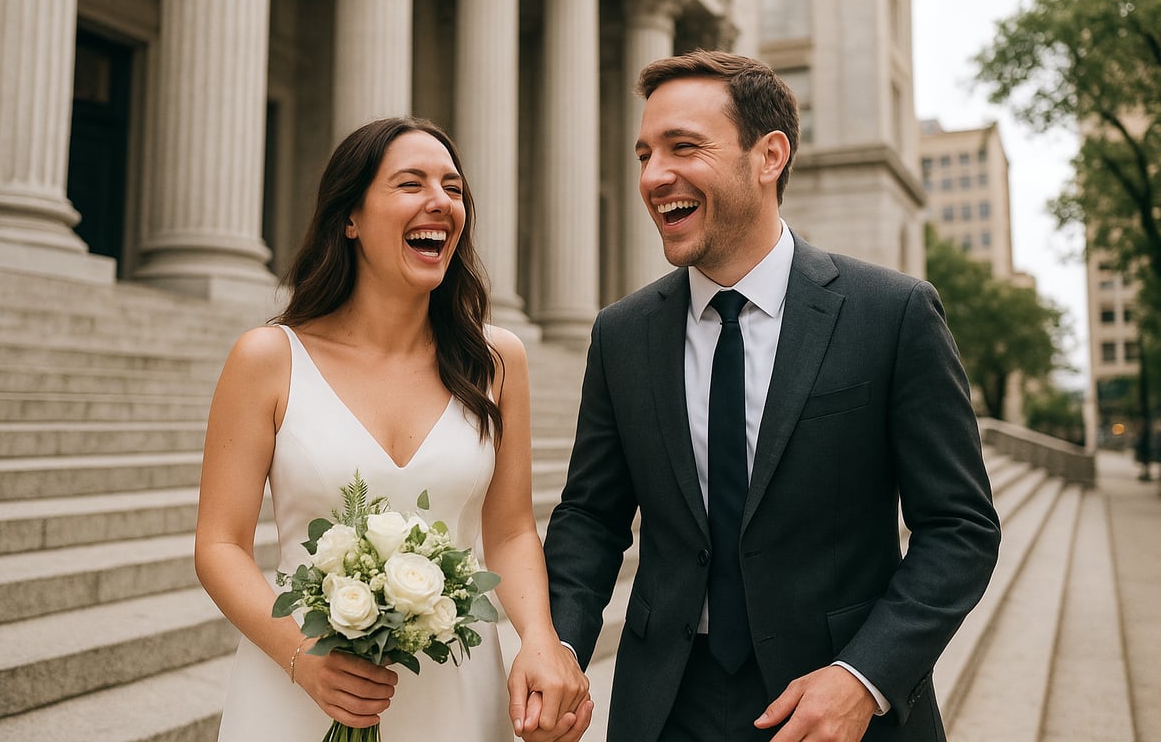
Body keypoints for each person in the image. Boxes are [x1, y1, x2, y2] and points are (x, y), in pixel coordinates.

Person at [543, 50, 1002, 741]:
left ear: (770, 156)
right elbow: (590, 518)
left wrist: (864, 677)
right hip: (665, 708)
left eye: (683, 147)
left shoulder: (892, 313)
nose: (653, 175)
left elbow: (960, 527)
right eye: (644, 154)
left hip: (839, 707)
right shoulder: (620, 334)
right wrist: (564, 648)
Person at [195, 117, 592, 741]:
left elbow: (511, 531)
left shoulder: (496, 361)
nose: (441, 201)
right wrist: (303, 657)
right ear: (349, 217)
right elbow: (219, 544)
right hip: (300, 685)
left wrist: (541, 640)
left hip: (457, 696)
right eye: (411, 184)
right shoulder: (268, 358)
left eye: (453, 188)